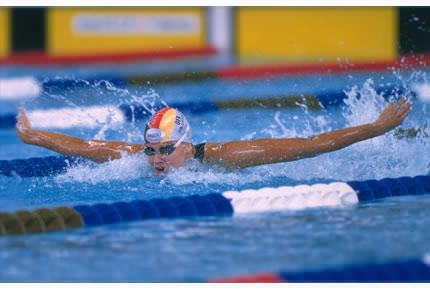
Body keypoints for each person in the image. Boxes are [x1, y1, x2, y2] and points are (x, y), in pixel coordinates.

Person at [16, 98, 412, 174]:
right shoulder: (139, 158)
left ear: (186, 144)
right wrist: (34, 136)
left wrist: (375, 129)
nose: (156, 159)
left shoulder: (230, 156)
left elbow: (309, 147)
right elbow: (85, 146)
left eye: (167, 150)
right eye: (152, 150)